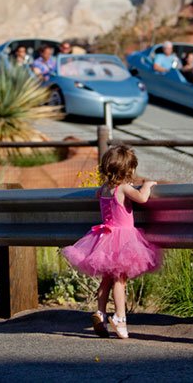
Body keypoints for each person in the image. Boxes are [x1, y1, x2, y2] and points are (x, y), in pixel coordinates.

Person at [61, 145, 161, 339]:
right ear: (128, 169)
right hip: (123, 239)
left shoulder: (105, 189)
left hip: (105, 237)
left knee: (106, 279)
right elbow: (142, 198)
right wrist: (147, 186)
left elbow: (97, 195)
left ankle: (100, 313)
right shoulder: (124, 188)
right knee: (119, 279)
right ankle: (120, 318)